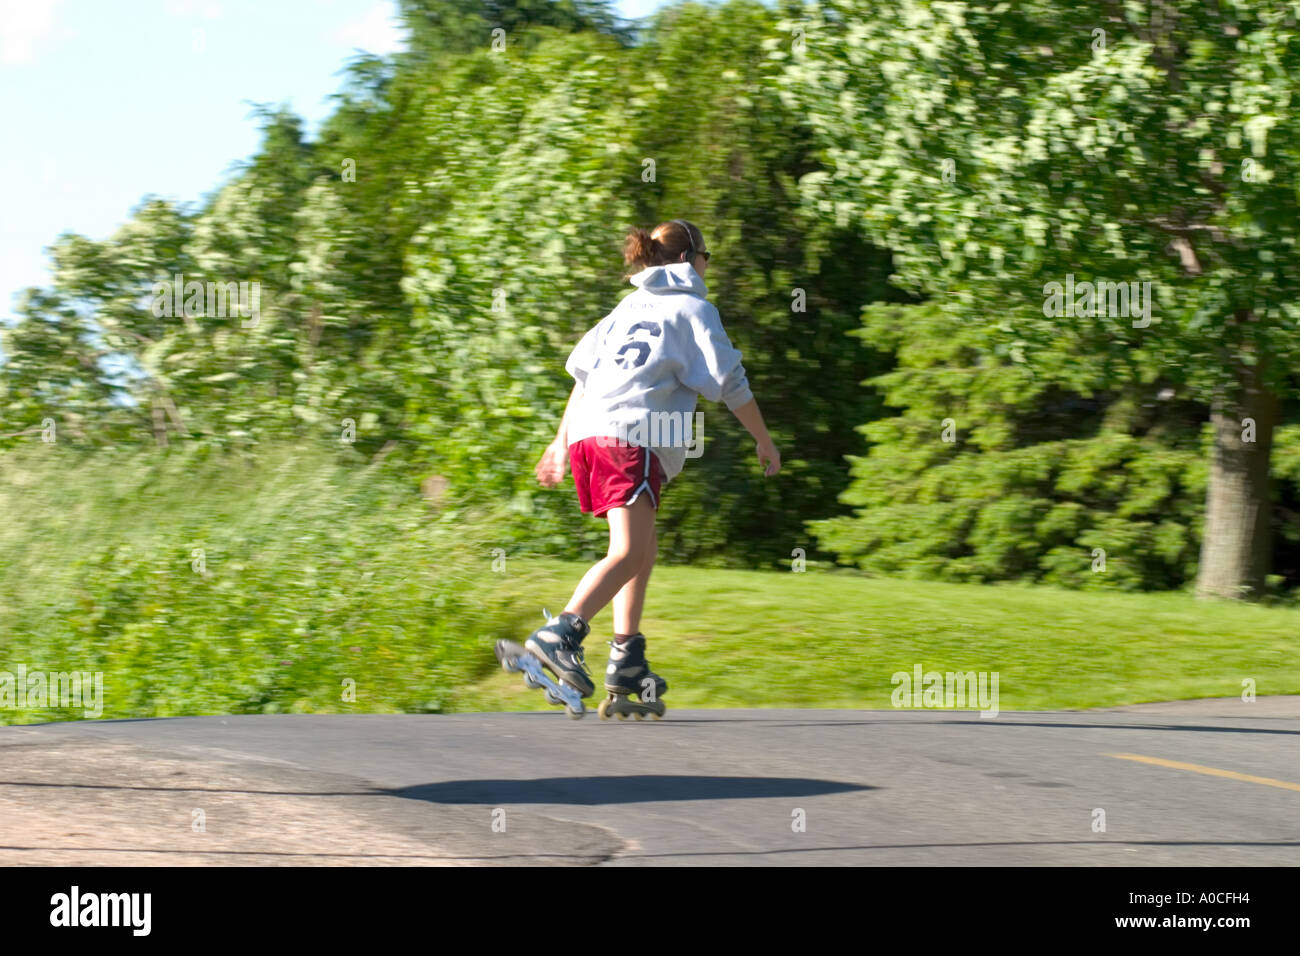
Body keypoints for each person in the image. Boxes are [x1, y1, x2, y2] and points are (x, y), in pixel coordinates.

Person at [527, 218, 780, 706]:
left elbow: (582, 376)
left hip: (591, 436)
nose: (709, 268)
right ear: (690, 260)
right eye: (708, 257)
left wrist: (560, 443)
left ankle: (628, 657)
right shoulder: (693, 309)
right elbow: (730, 382)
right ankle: (561, 633)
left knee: (642, 548)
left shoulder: (625, 308)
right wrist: (764, 440)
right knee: (626, 551)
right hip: (631, 438)